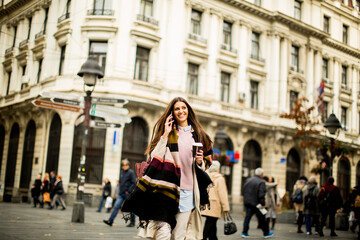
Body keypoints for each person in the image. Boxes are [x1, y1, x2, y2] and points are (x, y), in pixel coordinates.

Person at [121, 96, 213, 240]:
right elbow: (154, 156)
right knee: (163, 233)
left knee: (178, 235)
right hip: (166, 190)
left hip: (188, 192)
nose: (181, 111)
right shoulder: (168, 133)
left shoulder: (199, 135)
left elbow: (207, 162)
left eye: (184, 108)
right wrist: (165, 133)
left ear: (188, 110)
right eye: (177, 108)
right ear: (172, 112)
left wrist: (200, 162)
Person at [201, 161, 230, 240]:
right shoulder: (220, 178)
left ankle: (213, 238)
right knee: (210, 222)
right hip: (215, 204)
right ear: (217, 169)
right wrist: (226, 207)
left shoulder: (206, 176)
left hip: (206, 204)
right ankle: (202, 238)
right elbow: (222, 194)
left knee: (212, 224)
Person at [103, 159, 137, 227]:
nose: (125, 166)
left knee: (130, 208)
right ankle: (110, 221)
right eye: (123, 165)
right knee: (116, 207)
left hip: (128, 193)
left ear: (128, 165)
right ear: (121, 166)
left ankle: (132, 222)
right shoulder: (121, 172)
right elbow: (120, 183)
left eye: (126, 165)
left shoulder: (131, 172)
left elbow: (134, 182)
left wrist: (129, 190)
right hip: (121, 193)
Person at [241, 168, 273, 238]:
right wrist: (263, 204)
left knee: (247, 218)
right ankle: (266, 233)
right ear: (261, 174)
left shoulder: (248, 180)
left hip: (248, 202)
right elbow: (261, 194)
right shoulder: (261, 182)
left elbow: (243, 191)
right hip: (257, 204)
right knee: (262, 218)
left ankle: (244, 232)